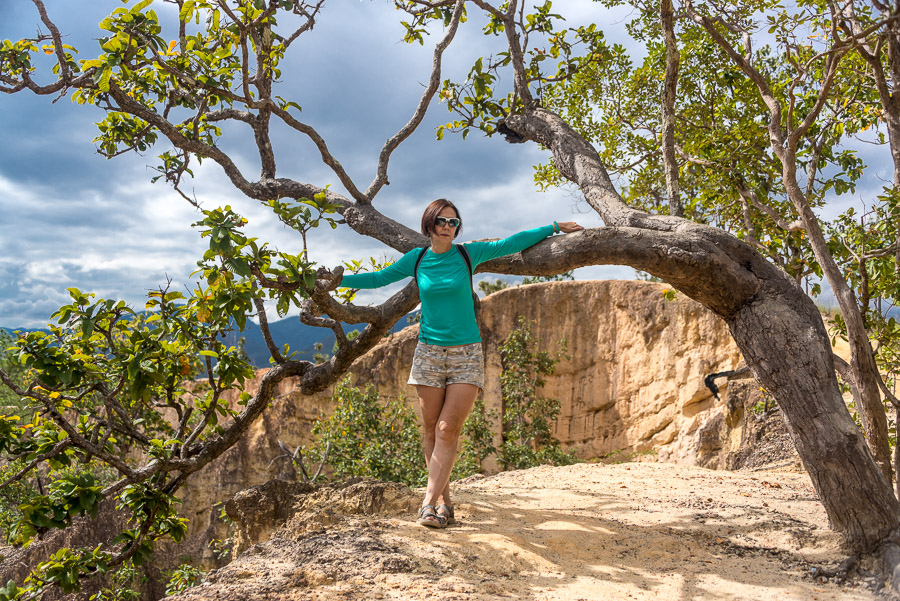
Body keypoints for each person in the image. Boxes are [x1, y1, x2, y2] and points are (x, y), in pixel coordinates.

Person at [322, 199, 583, 528]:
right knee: (431, 431)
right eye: (442, 222)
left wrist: (555, 227)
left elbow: (511, 243)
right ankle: (444, 502)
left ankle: (426, 503)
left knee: (448, 429)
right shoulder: (417, 259)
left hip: (466, 354)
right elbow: (378, 279)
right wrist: (336, 282)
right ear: (429, 224)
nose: (448, 227)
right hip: (429, 353)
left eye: (454, 223)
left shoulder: (466, 254)